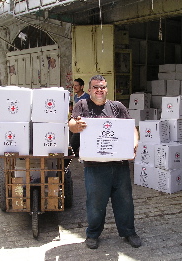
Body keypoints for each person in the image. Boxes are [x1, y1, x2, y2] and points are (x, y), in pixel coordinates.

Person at [68, 75, 141, 249]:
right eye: (95, 87)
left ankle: (129, 231)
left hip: (119, 165)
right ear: (89, 90)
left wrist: (135, 143)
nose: (99, 90)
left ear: (107, 89)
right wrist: (75, 126)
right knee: (95, 203)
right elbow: (72, 122)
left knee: (124, 201)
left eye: (102, 87)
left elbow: (132, 128)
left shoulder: (117, 107)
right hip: (95, 167)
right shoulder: (82, 105)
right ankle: (92, 234)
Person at [70, 78, 89, 157]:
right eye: (73, 86)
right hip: (76, 121)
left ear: (82, 87)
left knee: (75, 141)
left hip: (83, 122)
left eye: (76, 85)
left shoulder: (87, 97)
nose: (74, 87)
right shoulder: (75, 97)